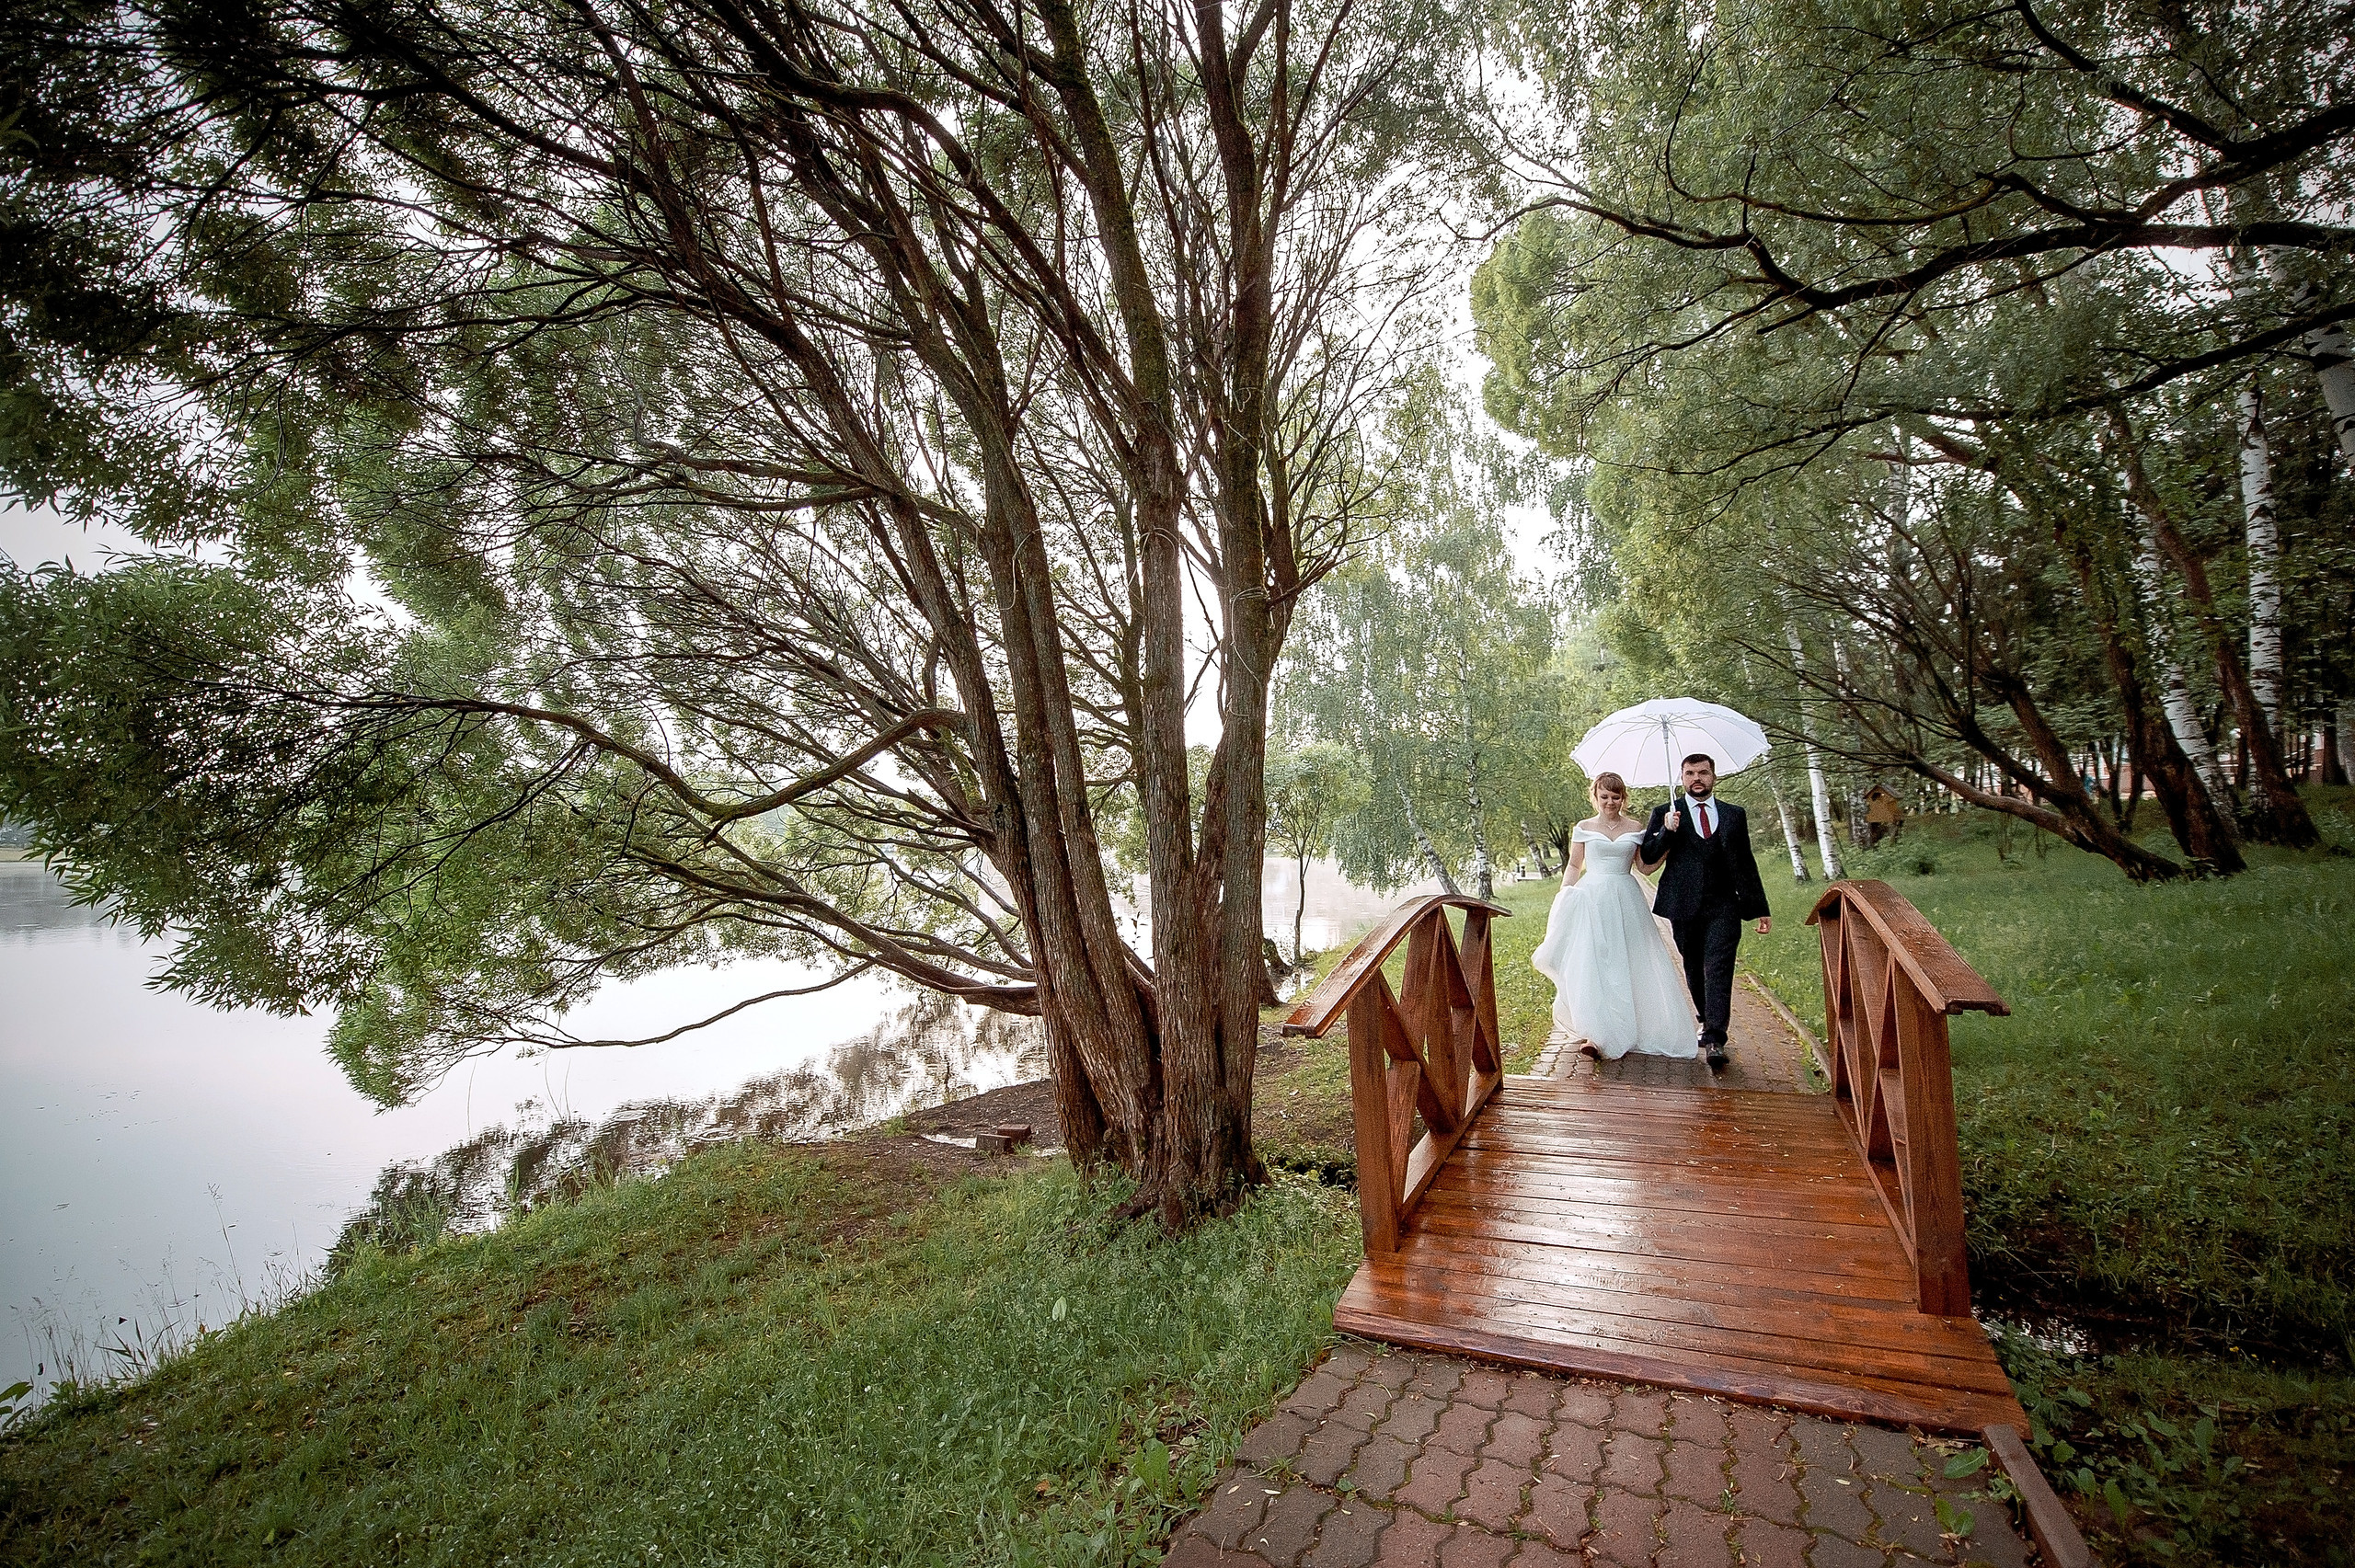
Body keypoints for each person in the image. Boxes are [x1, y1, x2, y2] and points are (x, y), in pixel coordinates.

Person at [1530, 772, 1697, 1060]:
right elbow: (1574, 865)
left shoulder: (1635, 827)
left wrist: (1669, 839)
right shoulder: (1583, 827)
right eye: (1604, 797)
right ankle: (1595, 1034)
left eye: (1616, 797)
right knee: (1593, 963)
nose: (1610, 802)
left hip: (1626, 899)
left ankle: (1632, 1026)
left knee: (1629, 961)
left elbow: (1644, 868)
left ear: (1623, 798)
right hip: (1591, 899)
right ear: (1595, 797)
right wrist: (1565, 894)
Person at [1637, 754, 1772, 1070]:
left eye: (1703, 772)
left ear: (1713, 776)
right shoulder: (1665, 812)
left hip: (1724, 905)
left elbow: (1746, 863)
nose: (1696, 778)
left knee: (1719, 967)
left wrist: (1759, 908)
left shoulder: (1734, 815)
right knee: (1694, 967)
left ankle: (1715, 1038)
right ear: (1681, 778)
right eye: (1690, 773)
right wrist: (1666, 831)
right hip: (1682, 904)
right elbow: (1647, 857)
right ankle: (1705, 1017)